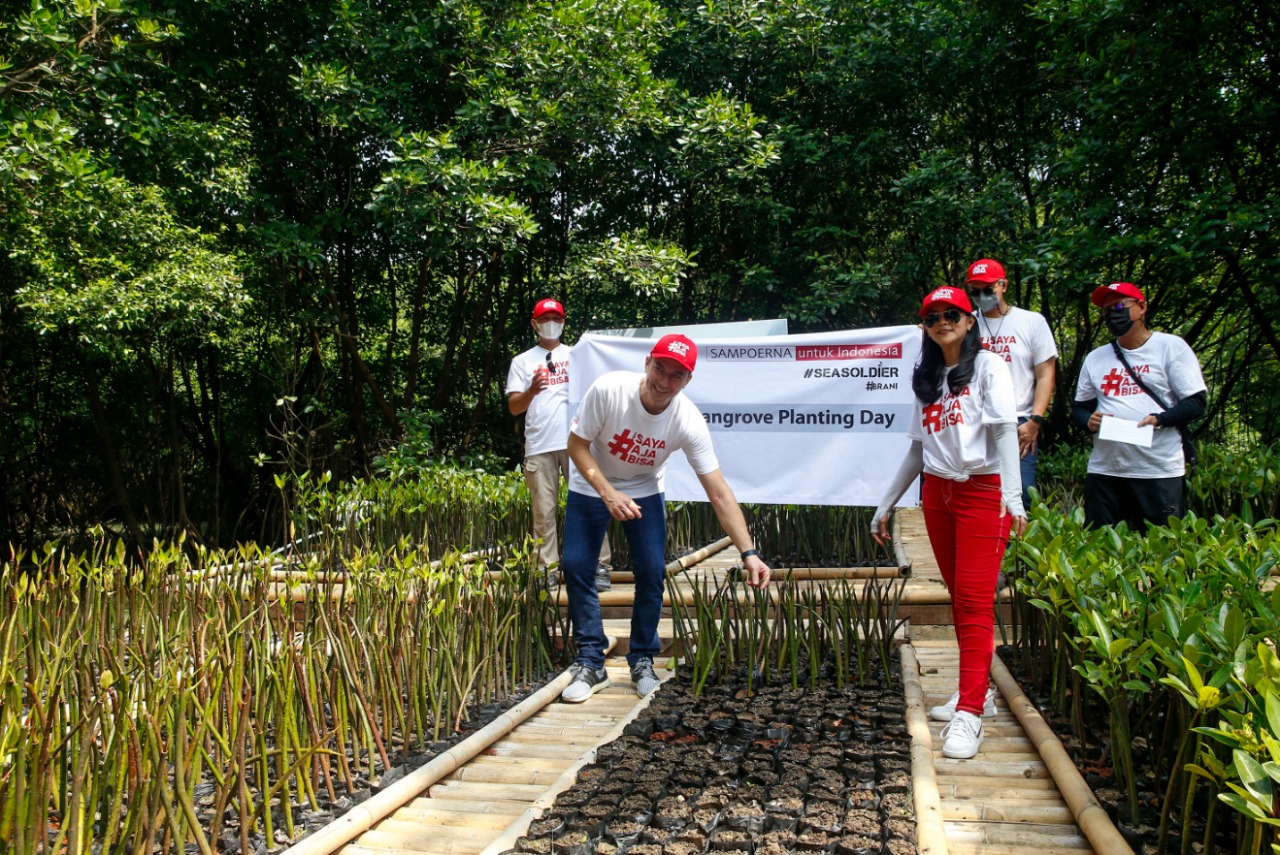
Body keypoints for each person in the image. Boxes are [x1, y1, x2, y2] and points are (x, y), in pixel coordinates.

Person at [559, 333, 772, 702]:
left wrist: (748, 553)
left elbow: (718, 492)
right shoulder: (609, 390)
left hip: (643, 488)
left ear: (688, 380)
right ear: (647, 363)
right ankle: (591, 662)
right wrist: (608, 493)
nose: (664, 381)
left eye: (676, 375)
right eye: (660, 369)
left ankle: (642, 658)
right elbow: (576, 446)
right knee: (576, 565)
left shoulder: (687, 419)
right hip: (592, 483)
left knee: (652, 570)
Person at [870, 286, 1027, 759]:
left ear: (969, 318)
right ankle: (977, 691)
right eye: (933, 315)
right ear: (925, 326)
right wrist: (885, 504)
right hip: (938, 493)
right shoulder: (928, 375)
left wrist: (1013, 497)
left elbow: (1003, 431)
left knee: (977, 601)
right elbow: (918, 449)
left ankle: (971, 714)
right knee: (960, 597)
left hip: (983, 491)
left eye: (952, 313)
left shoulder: (989, 367)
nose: (944, 320)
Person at [1072, 282, 1207, 532]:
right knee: (1099, 550)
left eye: (1121, 306)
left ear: (1142, 307)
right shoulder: (1096, 358)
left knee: (1163, 551)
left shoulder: (1170, 347)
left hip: (1158, 470)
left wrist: (1160, 419)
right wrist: (1088, 421)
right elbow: (1079, 409)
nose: (1113, 313)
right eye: (1107, 310)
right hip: (1106, 471)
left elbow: (1196, 403)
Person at [506, 298, 611, 591]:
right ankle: (547, 569)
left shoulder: (580, 356)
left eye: (557, 318)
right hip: (539, 443)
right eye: (546, 318)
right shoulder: (523, 361)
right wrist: (532, 390)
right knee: (543, 509)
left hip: (579, 442)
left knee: (593, 502)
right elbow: (514, 407)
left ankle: (599, 564)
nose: (551, 323)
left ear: (564, 322)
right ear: (534, 323)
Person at [965, 258, 1058, 509]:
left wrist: (1035, 420)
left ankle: (1017, 546)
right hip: (975, 418)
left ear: (1002, 285)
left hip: (1018, 421)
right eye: (974, 291)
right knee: (979, 492)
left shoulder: (1031, 321)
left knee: (1021, 493)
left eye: (987, 289)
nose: (981, 296)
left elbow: (1046, 373)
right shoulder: (965, 323)